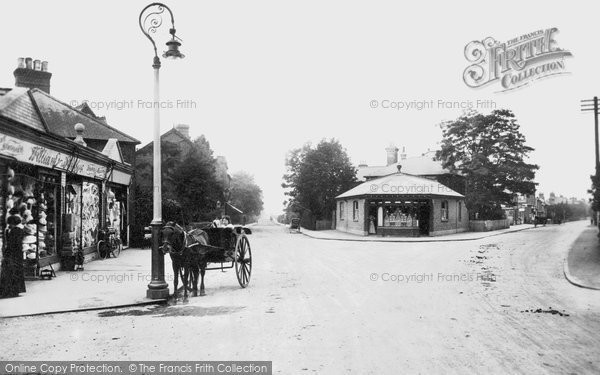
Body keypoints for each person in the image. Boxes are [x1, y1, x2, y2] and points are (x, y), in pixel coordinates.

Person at [0, 208, 26, 298]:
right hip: (13, 253)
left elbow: (14, 243)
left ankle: (13, 290)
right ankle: (11, 290)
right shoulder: (10, 231)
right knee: (11, 270)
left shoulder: (17, 231)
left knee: (12, 270)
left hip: (14, 253)